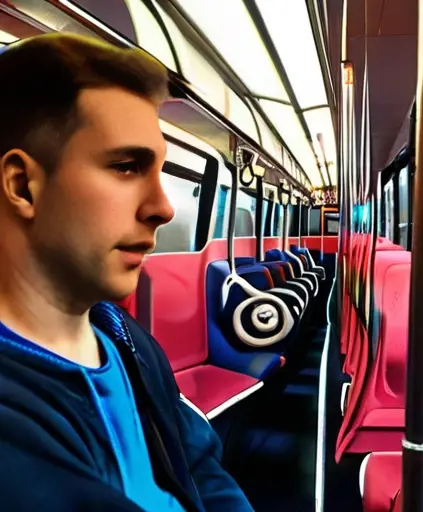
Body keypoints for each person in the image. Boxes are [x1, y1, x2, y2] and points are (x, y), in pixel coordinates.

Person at [0, 32, 253, 511]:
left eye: (159, 172)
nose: (163, 208)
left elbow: (198, 466)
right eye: (126, 166)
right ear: (23, 185)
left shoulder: (123, 337)